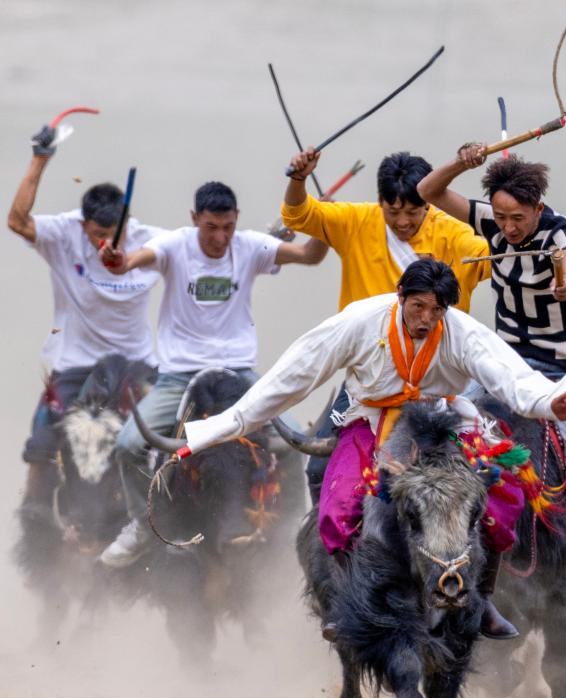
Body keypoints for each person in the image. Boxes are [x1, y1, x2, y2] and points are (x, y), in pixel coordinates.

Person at [179, 259, 566, 636]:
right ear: (400, 296)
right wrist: (212, 431)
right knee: (336, 509)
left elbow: (510, 377)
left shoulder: (461, 332)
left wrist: (550, 402)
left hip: (443, 423)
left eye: (436, 311)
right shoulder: (360, 321)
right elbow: (292, 375)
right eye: (418, 307)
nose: (426, 319)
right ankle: (352, 598)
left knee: (504, 498)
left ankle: (481, 598)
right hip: (372, 423)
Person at [416, 147, 566, 615]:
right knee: (442, 425)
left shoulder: (560, 231)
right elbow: (427, 191)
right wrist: (463, 163)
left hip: (563, 372)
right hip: (504, 367)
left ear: (538, 209)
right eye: (501, 218)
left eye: (518, 218)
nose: (508, 228)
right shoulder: (491, 222)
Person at [98, 180, 327, 567]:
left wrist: (322, 222)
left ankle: (291, 528)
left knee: (292, 441)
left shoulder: (251, 246)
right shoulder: (174, 246)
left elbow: (309, 255)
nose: (220, 238)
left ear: (237, 220)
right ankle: (142, 524)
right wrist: (117, 261)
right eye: (211, 228)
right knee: (127, 445)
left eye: (228, 227)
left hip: (239, 373)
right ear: (194, 219)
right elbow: (131, 260)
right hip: (179, 376)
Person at [282, 146, 492, 506]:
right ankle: (326, 541)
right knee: (318, 470)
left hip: (439, 381)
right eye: (393, 212)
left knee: (492, 471)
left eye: (413, 212)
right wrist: (299, 178)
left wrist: (509, 221)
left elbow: (494, 256)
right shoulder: (355, 221)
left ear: (429, 205)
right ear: (380, 202)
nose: (403, 222)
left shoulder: (455, 235)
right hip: (370, 379)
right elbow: (298, 214)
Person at [7, 123, 164, 516]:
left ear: (128, 223)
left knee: (164, 441)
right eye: (96, 235)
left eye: (113, 235)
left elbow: (209, 245)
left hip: (136, 365)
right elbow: (17, 221)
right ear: (83, 225)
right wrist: (40, 159)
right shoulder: (63, 234)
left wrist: (275, 239)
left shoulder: (151, 240)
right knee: (42, 442)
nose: (105, 244)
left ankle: (160, 517)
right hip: (76, 364)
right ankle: (35, 514)